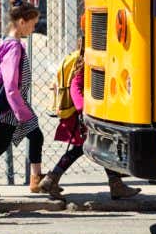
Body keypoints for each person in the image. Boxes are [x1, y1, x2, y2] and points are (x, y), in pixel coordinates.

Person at [38, 44, 140, 201]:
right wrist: (83, 110)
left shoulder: (92, 59)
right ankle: (52, 179)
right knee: (89, 147)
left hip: (89, 113)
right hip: (86, 115)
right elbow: (75, 86)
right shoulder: (88, 61)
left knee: (97, 145)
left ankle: (52, 179)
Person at [0, 0, 46, 191]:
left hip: (15, 104)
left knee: (18, 140)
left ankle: (36, 179)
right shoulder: (14, 47)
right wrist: (22, 112)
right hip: (13, 105)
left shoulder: (10, 44)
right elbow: (10, 84)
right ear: (21, 22)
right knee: (0, 145)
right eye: (32, 25)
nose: (33, 29)